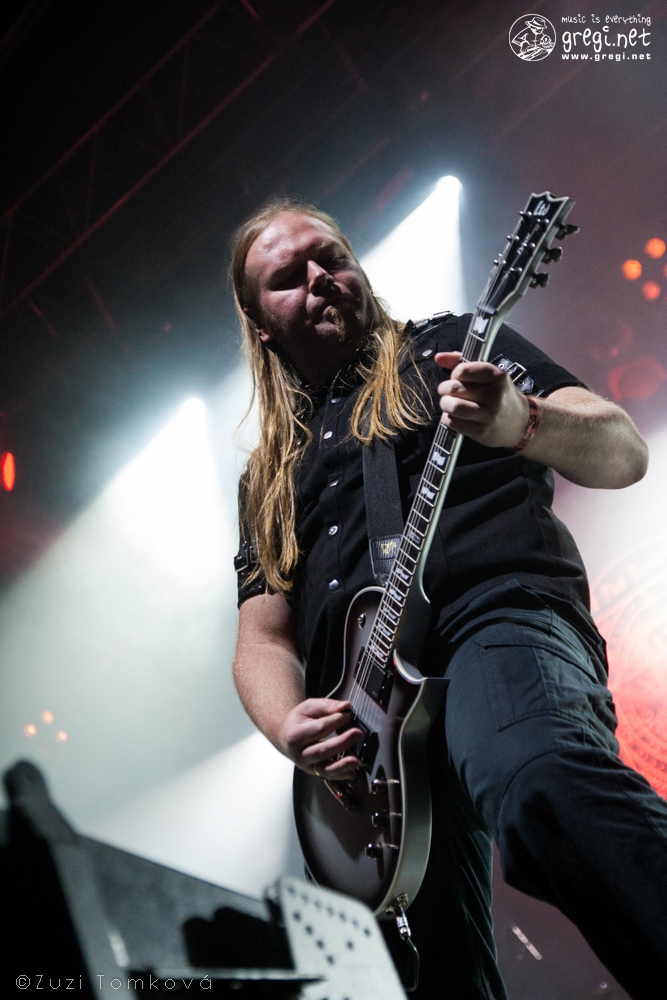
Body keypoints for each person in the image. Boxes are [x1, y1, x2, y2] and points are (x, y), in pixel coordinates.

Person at [230, 197, 667, 999]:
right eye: (288, 276)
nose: (319, 277)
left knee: (535, 779)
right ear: (260, 324)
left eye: (331, 257)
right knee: (422, 970)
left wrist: (520, 420)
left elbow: (621, 451)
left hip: (492, 617)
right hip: (365, 726)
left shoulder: (452, 347)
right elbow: (261, 635)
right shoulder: (265, 475)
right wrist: (288, 726)